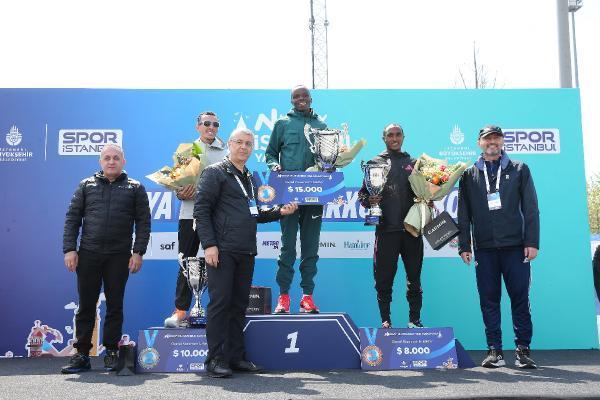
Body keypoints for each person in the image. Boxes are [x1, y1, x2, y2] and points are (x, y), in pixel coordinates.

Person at [195, 128, 298, 378]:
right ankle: (215, 359)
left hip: (245, 250)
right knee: (220, 304)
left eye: (248, 144)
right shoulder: (214, 173)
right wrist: (209, 245)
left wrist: (279, 212)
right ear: (229, 145)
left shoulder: (250, 178)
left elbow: (254, 214)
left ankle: (235, 357)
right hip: (222, 250)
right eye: (239, 143)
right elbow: (201, 210)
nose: (244, 147)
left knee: (239, 305)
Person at [61, 144, 151, 374]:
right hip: (88, 254)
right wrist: (70, 249)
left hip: (119, 256)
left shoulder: (135, 188)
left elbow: (143, 223)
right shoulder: (85, 185)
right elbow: (72, 219)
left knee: (115, 305)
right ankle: (81, 354)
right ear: (101, 162)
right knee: (86, 306)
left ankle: (111, 352)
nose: (111, 161)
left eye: (116, 158)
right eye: (107, 158)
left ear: (124, 161)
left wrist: (138, 251)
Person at [457, 125, 540, 369]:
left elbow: (531, 208)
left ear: (502, 141)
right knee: (489, 300)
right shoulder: (469, 174)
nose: (492, 142)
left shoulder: (519, 169)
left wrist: (532, 242)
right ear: (479, 142)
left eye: (496, 137)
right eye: (487, 138)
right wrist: (465, 244)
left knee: (520, 299)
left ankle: (522, 350)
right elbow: (463, 213)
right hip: (485, 248)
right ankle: (495, 351)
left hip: (516, 247)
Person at [265, 85, 327, 314]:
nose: (300, 99)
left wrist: (328, 168)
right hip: (288, 193)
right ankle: (283, 297)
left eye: (304, 95)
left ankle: (307, 297)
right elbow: (270, 153)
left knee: (310, 247)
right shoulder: (282, 124)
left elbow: (327, 159)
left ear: (310, 98)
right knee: (288, 247)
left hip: (315, 194)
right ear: (291, 100)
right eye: (296, 96)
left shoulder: (322, 126)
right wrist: (275, 166)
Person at [164, 111, 228, 328]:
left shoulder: (227, 150)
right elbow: (178, 182)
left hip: (218, 216)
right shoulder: (188, 150)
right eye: (206, 123)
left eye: (215, 124)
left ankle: (219, 310)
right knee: (186, 261)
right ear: (198, 126)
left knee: (220, 261)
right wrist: (180, 192)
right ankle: (181, 310)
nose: (211, 127)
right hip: (190, 214)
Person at [358, 123, 425, 329]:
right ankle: (385, 320)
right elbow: (362, 195)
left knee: (414, 278)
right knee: (383, 279)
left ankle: (414, 320)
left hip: (411, 231)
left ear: (403, 137)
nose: (394, 138)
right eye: (390, 135)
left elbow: (424, 193)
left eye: (398, 135)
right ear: (383, 138)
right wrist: (370, 200)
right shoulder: (374, 163)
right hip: (386, 230)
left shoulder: (414, 163)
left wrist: (428, 199)